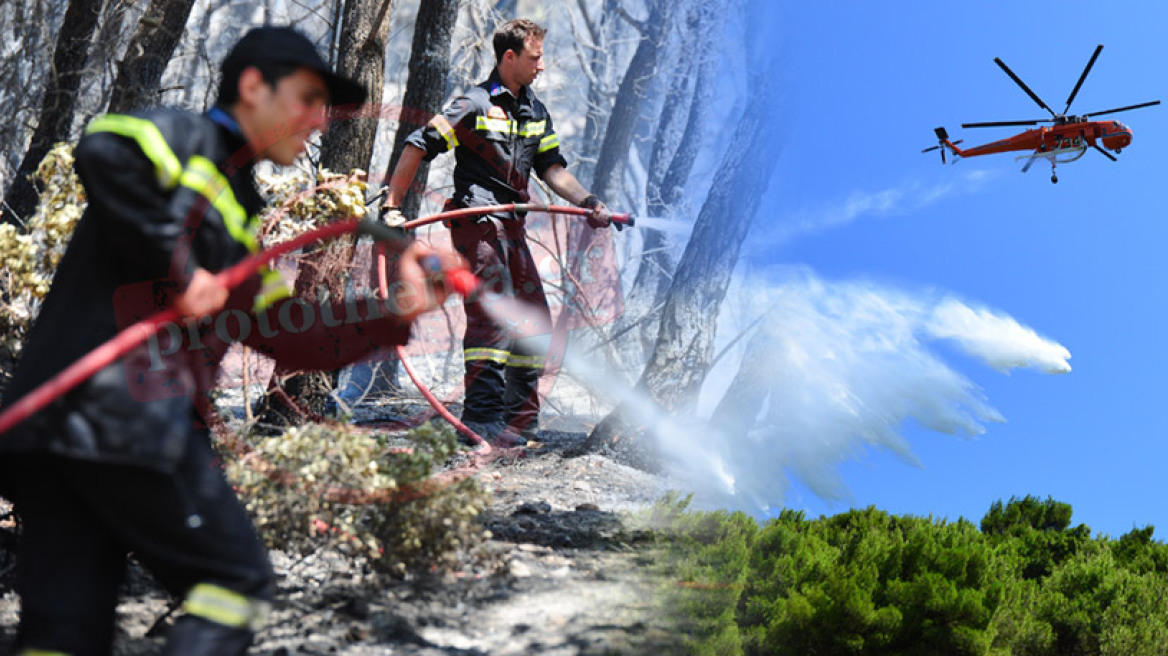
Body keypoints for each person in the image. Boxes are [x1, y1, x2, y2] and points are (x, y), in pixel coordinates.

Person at [0, 26, 461, 655]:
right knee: (234, 583)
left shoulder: (238, 215)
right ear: (252, 87)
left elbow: (287, 337)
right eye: (307, 100)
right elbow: (105, 144)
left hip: (59, 435)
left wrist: (397, 311)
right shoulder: (190, 140)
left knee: (62, 634)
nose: (320, 123)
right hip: (120, 423)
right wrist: (179, 266)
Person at [383, 18, 616, 447]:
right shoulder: (472, 104)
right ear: (510, 57)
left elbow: (551, 168)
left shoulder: (534, 112)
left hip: (512, 228)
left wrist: (588, 202)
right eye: (535, 57)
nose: (541, 66)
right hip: (477, 223)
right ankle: (482, 421)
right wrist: (392, 206)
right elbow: (419, 143)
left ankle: (519, 424)